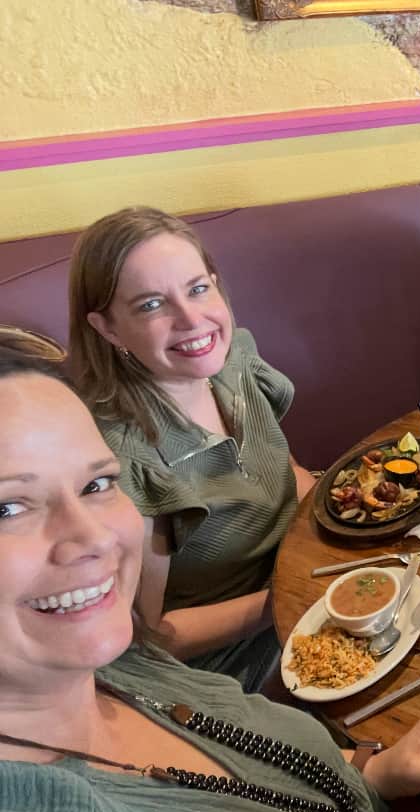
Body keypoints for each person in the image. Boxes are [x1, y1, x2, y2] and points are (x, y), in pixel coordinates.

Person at [0, 353, 420, 812]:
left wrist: (375, 772)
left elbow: (266, 783)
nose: (96, 538)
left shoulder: (119, 666)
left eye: (97, 483)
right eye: (7, 508)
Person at [68, 207, 318, 693]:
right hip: (238, 671)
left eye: (198, 288)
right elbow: (147, 638)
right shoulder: (123, 460)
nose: (191, 319)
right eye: (150, 305)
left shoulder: (234, 358)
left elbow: (283, 473)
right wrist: (293, 596)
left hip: (309, 589)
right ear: (107, 328)